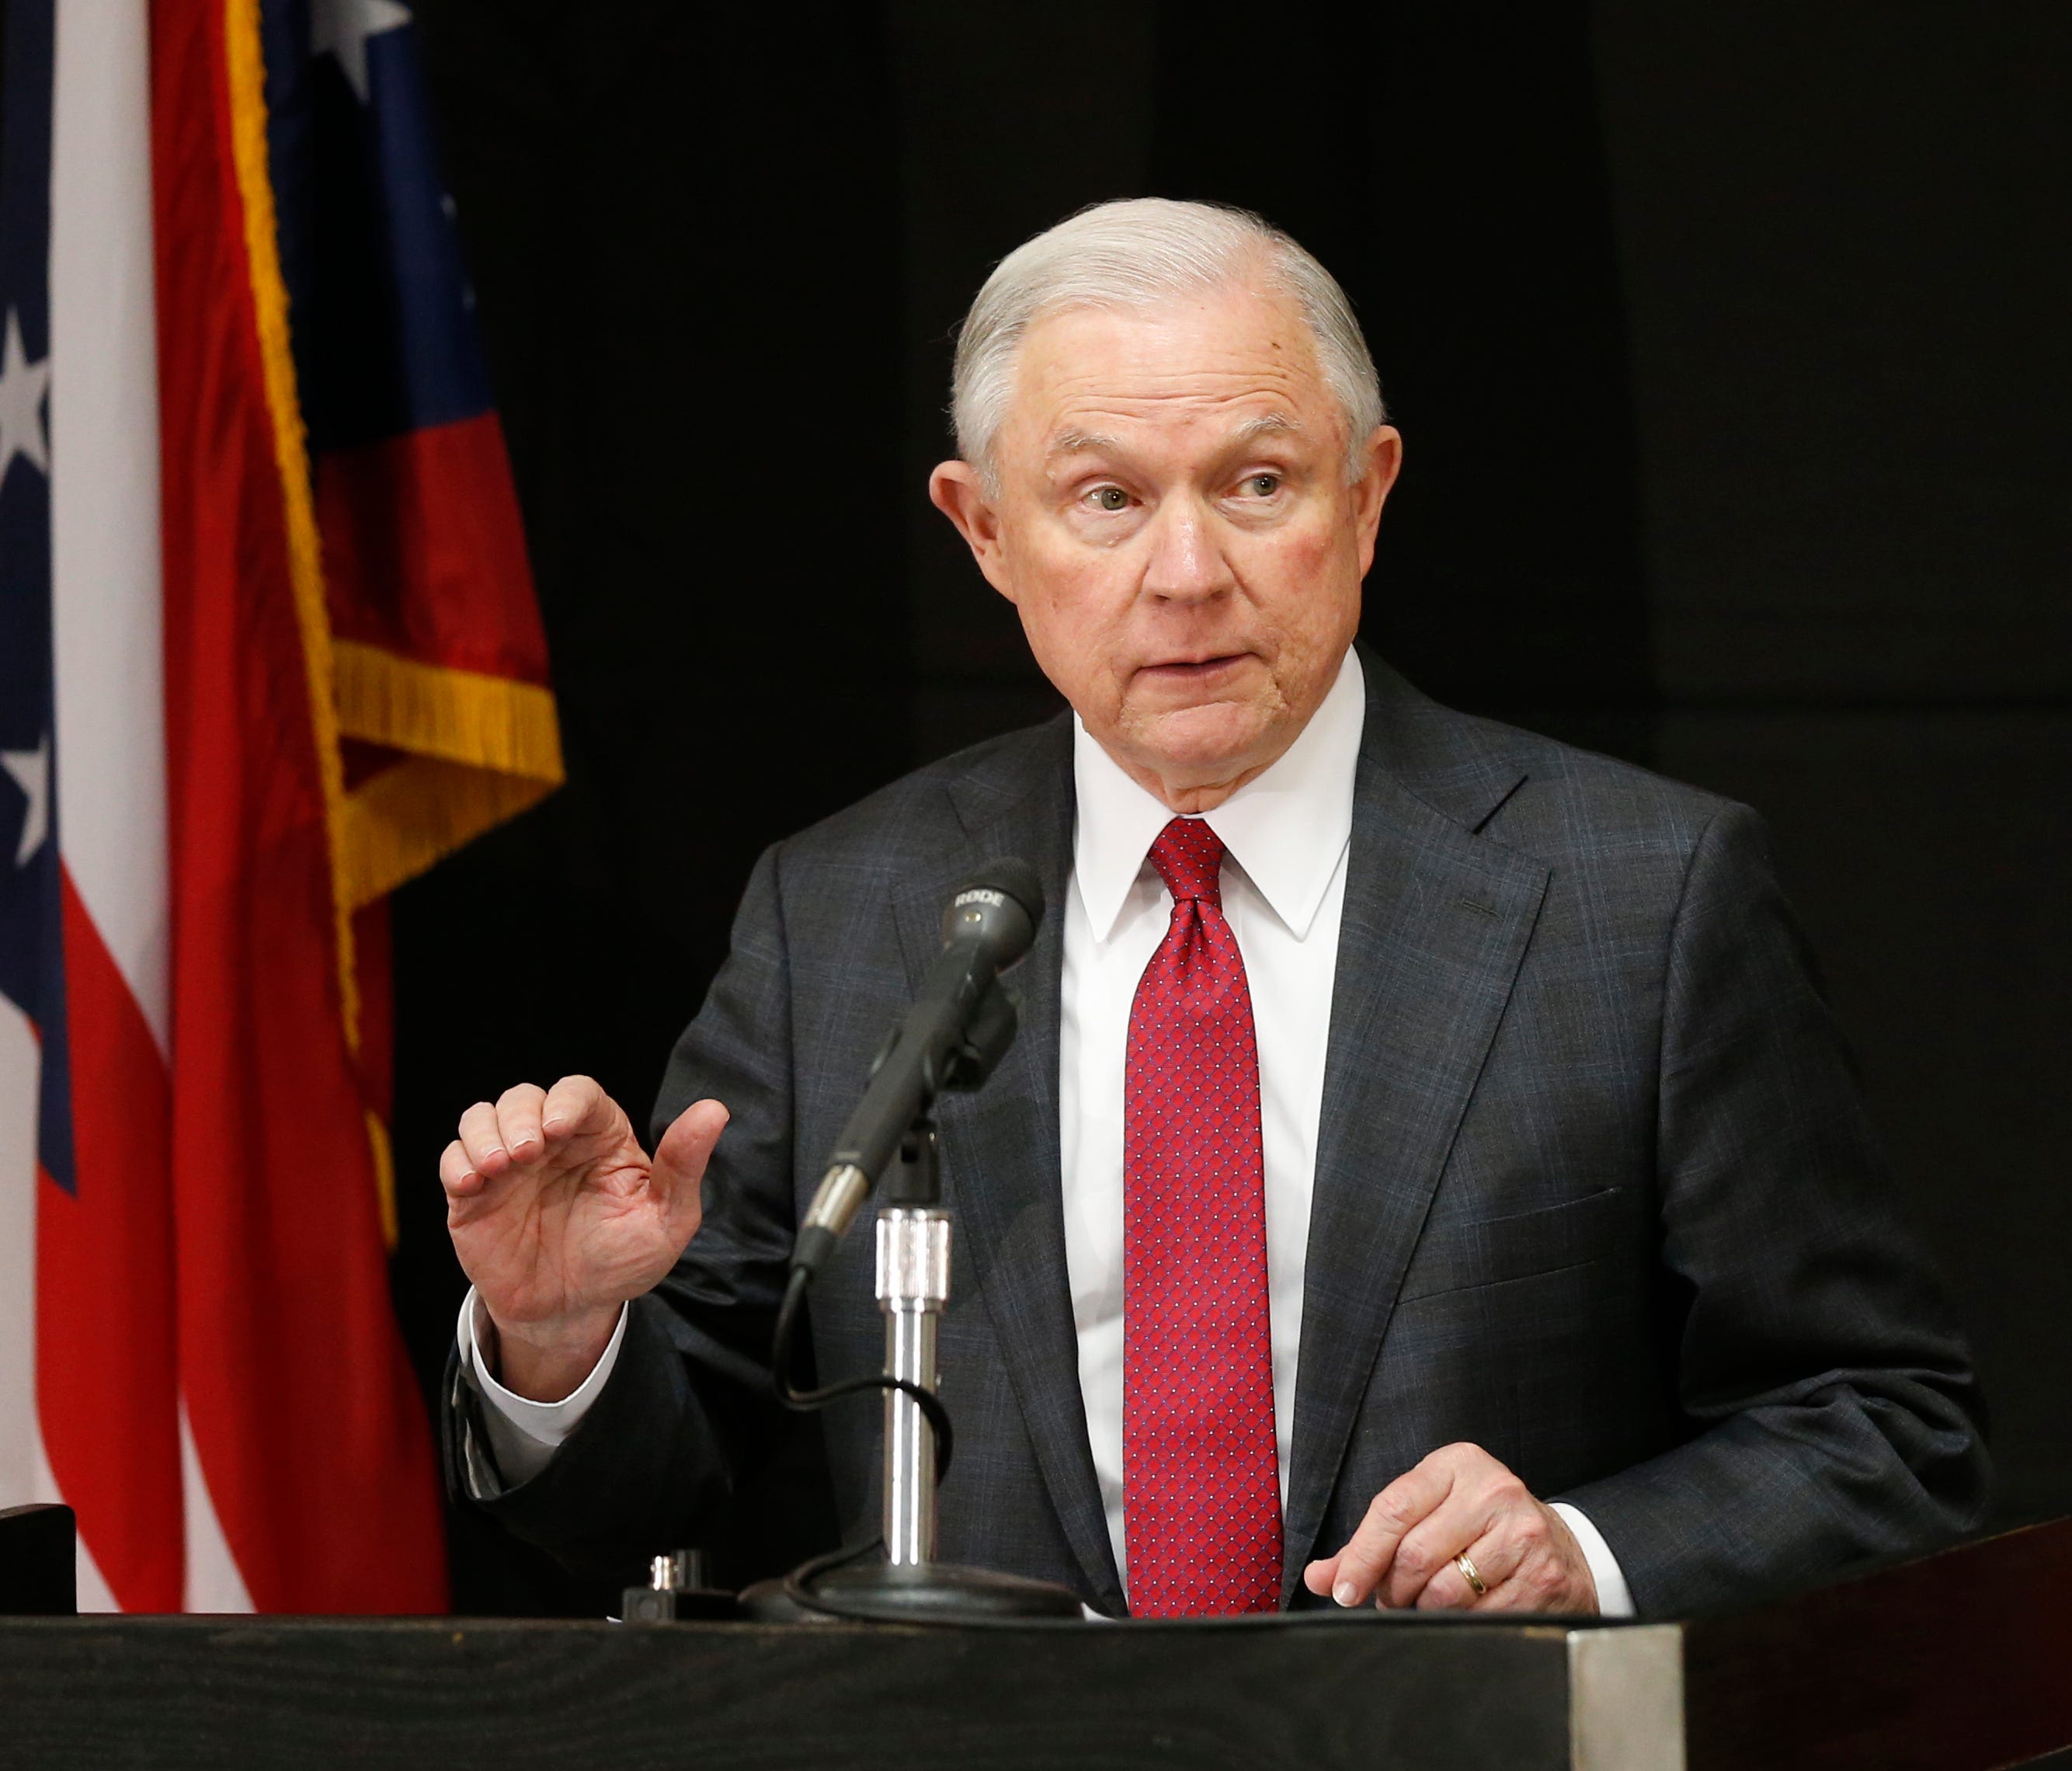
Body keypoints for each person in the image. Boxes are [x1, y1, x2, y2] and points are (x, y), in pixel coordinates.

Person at [439, 199, 1988, 1619]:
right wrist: (562, 1346)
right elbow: (662, 1475)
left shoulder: (1638, 900)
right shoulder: (841, 914)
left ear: (1366, 495)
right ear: (984, 533)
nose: (1185, 572)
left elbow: (1881, 1427)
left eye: (1255, 483)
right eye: (1103, 498)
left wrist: (1577, 1553)